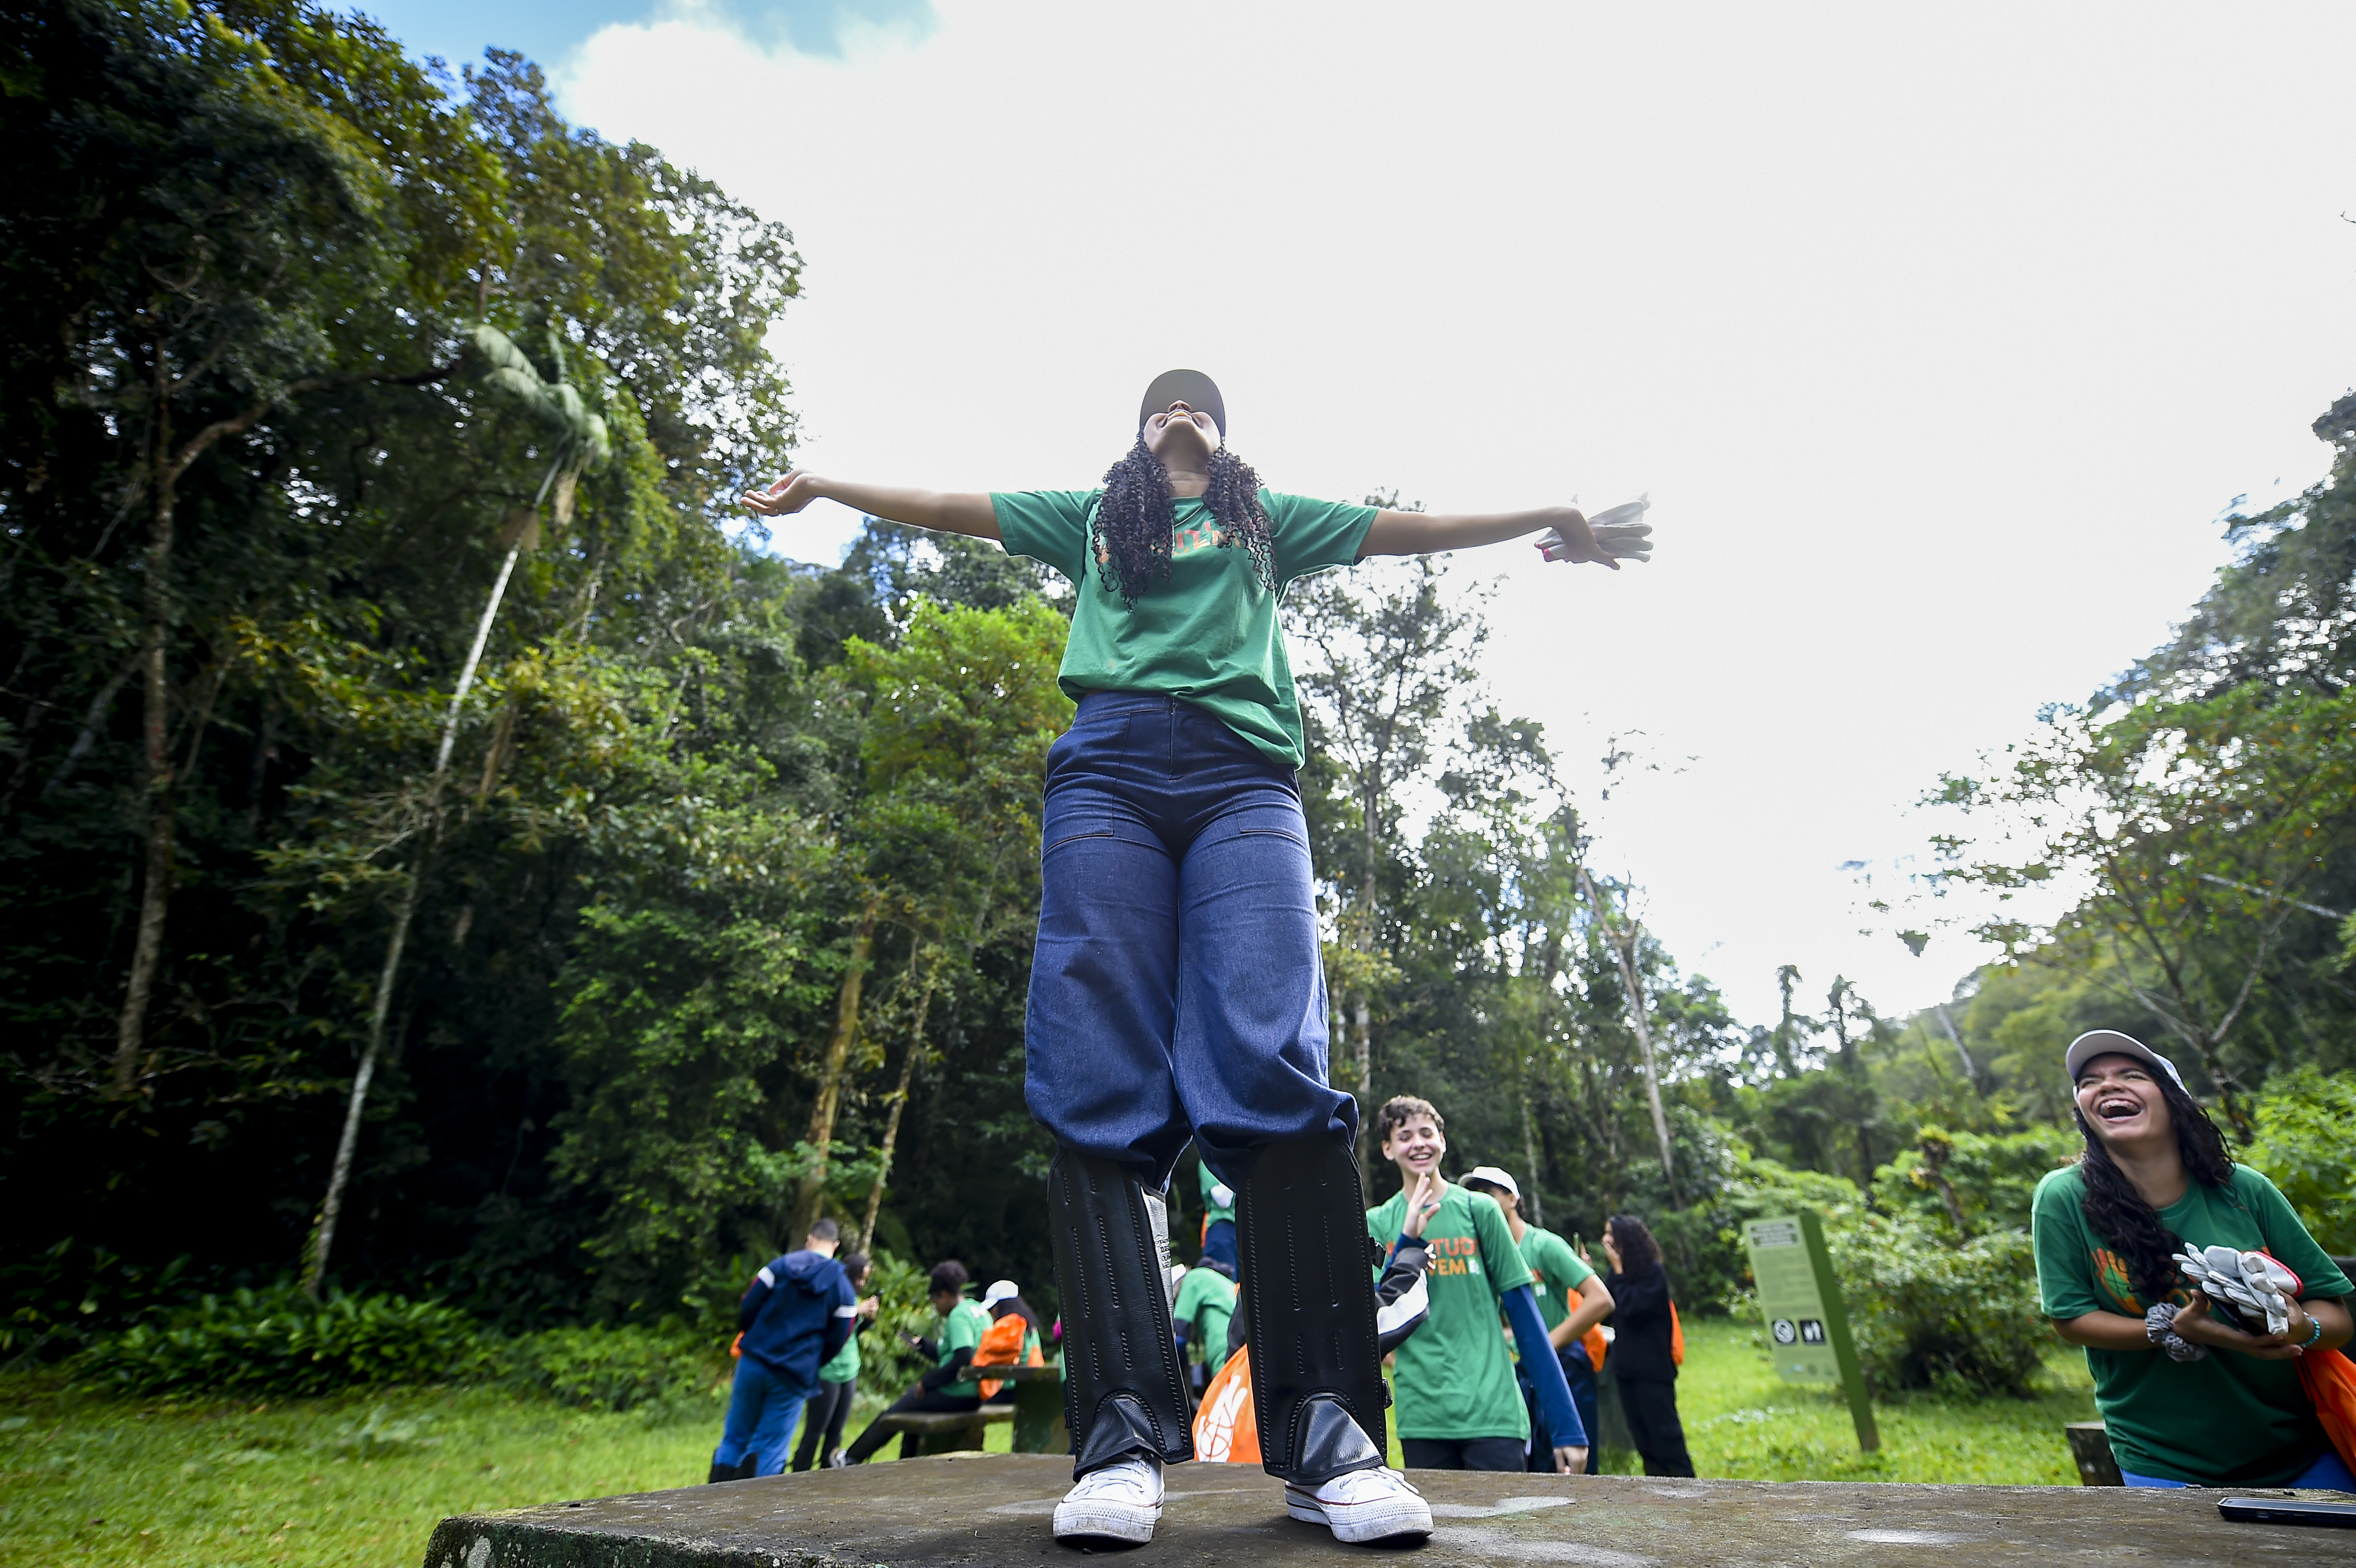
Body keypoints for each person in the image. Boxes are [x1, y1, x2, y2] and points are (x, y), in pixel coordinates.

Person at [743, 370, 1646, 1547]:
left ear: (1226, 438)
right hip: (1109, 765)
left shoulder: (1267, 524)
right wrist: (822, 483)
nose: (1185, 410)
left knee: (1267, 1058)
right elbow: (949, 499)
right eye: (1166, 401)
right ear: (1138, 431)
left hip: (1243, 777)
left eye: (1205, 403)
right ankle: (1121, 1431)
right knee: (1095, 1060)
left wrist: (1549, 515)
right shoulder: (1093, 519)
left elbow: (1405, 531)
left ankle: (1324, 1427)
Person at [2032, 1029, 2354, 1489]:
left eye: (2132, 1074)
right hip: (2162, 1460)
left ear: (2174, 1099)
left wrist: (2303, 1328)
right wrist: (2166, 1328)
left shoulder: (2246, 1189)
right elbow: (2070, 1317)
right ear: (2083, 1111)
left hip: (2300, 1448)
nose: (2107, 1084)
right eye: (2090, 1081)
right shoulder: (2063, 1196)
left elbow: (2336, 1316)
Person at [1365, 1098, 1588, 1474]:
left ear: (1443, 1140)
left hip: (1493, 1409)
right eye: (1405, 1136)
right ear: (1388, 1149)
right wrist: (1406, 1241)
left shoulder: (1479, 1209)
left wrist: (1567, 1427)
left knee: (1504, 1531)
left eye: (1426, 1132)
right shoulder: (1377, 1223)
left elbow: (1526, 1318)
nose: (1418, 1143)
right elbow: (1376, 1324)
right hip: (1423, 1416)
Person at [1461, 1166, 1614, 1475]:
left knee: (1573, 1468)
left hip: (1564, 1367)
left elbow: (1601, 1300)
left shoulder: (1544, 1245)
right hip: (1518, 1375)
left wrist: (1545, 1346)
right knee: (1532, 1467)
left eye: (1487, 1194)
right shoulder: (1483, 1258)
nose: (1478, 1202)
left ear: (1512, 1198)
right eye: (1472, 1196)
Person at [711, 1218, 858, 1481]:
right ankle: (759, 1514)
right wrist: (813, 1361)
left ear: (810, 1239)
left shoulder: (779, 1267)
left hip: (754, 1361)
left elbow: (748, 1306)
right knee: (771, 1446)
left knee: (735, 1436)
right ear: (835, 1245)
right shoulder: (843, 1287)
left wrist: (756, 1339)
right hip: (794, 1374)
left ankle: (712, 1501)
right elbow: (840, 1337)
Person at [841, 1260, 996, 1464]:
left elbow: (964, 1357)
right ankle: (907, 1462)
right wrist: (925, 1346)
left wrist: (929, 1381)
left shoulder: (959, 1315)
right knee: (912, 1412)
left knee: (895, 1412)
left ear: (945, 1295)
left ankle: (851, 1458)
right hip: (977, 1393)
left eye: (936, 1301)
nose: (937, 1307)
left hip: (959, 1393)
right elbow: (956, 1355)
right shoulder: (978, 1310)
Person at [1598, 1212, 1694, 1477]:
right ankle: (1659, 1491)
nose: (1605, 1240)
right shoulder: (1617, 1275)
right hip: (1626, 1371)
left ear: (1626, 1241)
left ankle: (1690, 1493)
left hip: (1653, 1372)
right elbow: (1606, 1312)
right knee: (1644, 1442)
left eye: (1610, 1235)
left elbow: (1631, 1307)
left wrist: (1617, 1272)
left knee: (1666, 1439)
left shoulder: (1654, 1274)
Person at [791, 1250, 878, 1470]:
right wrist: (857, 1310)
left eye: (865, 1279)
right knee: (815, 1430)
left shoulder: (856, 1300)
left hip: (849, 1371)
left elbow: (850, 1334)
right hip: (827, 1371)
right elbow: (827, 1325)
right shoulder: (830, 1294)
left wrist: (868, 1319)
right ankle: (799, 1475)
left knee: (836, 1431)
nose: (862, 1284)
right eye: (860, 1278)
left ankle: (828, 1475)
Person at [1172, 1245, 1239, 1401]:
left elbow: (1179, 1335)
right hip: (1240, 1344)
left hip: (1224, 1347)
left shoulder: (1192, 1279)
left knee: (1226, 1399)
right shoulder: (1213, 1279)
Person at [976, 1278, 1046, 1404]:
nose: (991, 1312)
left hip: (1014, 1389)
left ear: (1002, 1305)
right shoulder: (1028, 1323)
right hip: (1033, 1385)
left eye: (993, 1307)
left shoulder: (1012, 1324)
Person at [1197, 1153, 1238, 1273]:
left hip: (1247, 1230)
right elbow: (1223, 1200)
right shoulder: (1209, 1159)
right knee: (1225, 1282)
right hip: (1223, 1232)